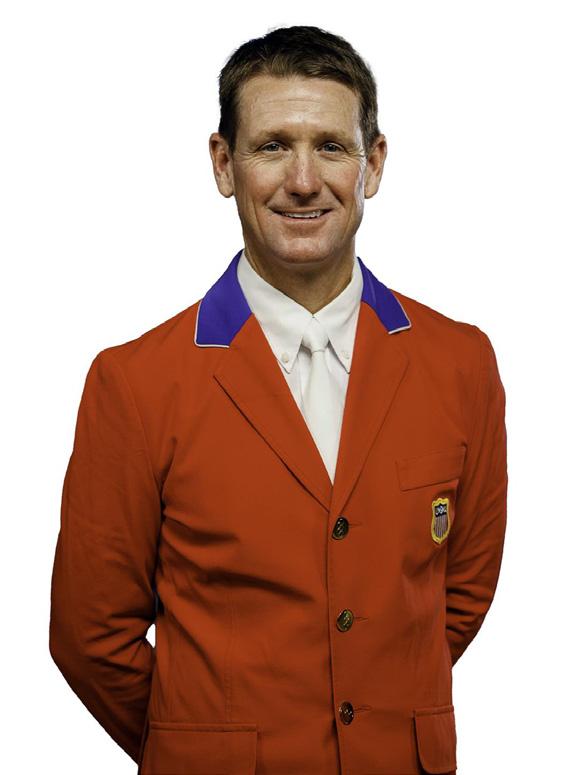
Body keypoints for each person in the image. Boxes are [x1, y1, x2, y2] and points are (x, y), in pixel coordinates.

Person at [49, 24, 508, 775]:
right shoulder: (133, 384)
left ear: (373, 164)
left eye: (330, 147)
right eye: (271, 146)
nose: (303, 180)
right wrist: (199, 743)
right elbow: (89, 636)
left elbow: (459, 595)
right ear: (223, 164)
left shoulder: (461, 363)